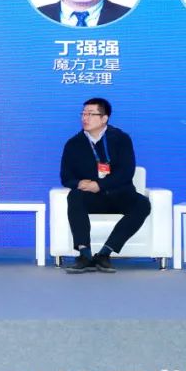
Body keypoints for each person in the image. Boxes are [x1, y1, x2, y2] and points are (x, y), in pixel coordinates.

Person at [59, 98, 150, 274]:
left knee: (142, 204)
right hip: (91, 197)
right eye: (83, 114)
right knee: (74, 196)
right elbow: (66, 177)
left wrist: (99, 185)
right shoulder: (73, 144)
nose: (85, 118)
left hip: (119, 194)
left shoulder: (121, 139)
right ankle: (84, 255)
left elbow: (126, 172)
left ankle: (105, 254)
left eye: (90, 114)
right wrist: (78, 183)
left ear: (104, 118)